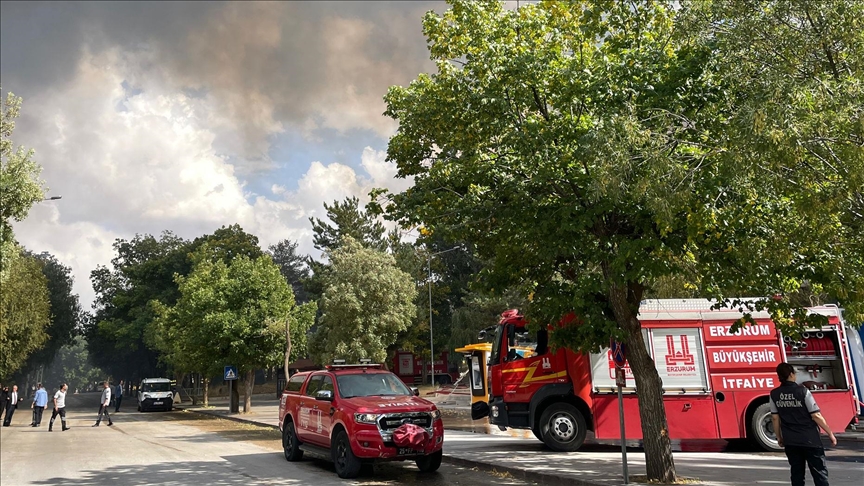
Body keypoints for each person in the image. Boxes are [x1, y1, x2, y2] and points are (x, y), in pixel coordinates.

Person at [770, 362, 837, 486]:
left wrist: (779, 437)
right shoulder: (803, 391)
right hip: (810, 440)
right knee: (819, 473)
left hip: (791, 441)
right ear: (791, 374)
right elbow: (815, 415)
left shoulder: (774, 394)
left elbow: (775, 418)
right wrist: (830, 433)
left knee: (797, 474)